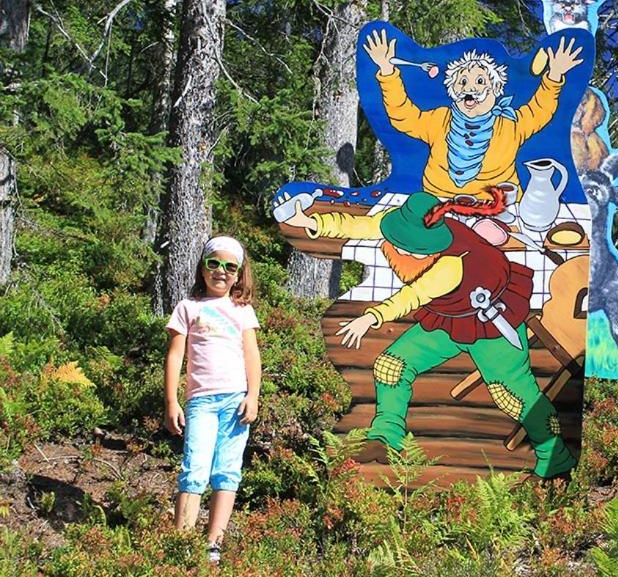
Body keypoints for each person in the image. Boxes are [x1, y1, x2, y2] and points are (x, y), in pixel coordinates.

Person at [285, 191, 576, 480]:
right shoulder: (402, 223)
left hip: (492, 325)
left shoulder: (450, 263)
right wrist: (312, 223)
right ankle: (386, 437)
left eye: (416, 249)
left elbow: (413, 295)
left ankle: (556, 457)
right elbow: (360, 225)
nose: (407, 253)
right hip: (449, 319)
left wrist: (371, 317)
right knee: (391, 365)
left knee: (513, 397)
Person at [362, 28, 584, 200]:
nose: (471, 88)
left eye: (480, 81)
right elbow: (403, 115)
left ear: (496, 90)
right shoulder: (439, 120)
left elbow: (540, 110)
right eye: (463, 82)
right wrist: (387, 71)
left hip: (498, 208)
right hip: (438, 202)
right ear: (454, 90)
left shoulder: (510, 123)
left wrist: (554, 75)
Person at [164, 235, 261, 564]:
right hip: (201, 403)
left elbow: (252, 356)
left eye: (229, 266)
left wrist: (253, 396)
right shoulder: (187, 308)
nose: (221, 271)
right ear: (202, 267)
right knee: (194, 470)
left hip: (235, 402)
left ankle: (213, 544)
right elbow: (175, 357)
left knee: (227, 472)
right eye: (214, 263)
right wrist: (172, 402)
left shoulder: (242, 310)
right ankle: (181, 543)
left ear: (238, 273)